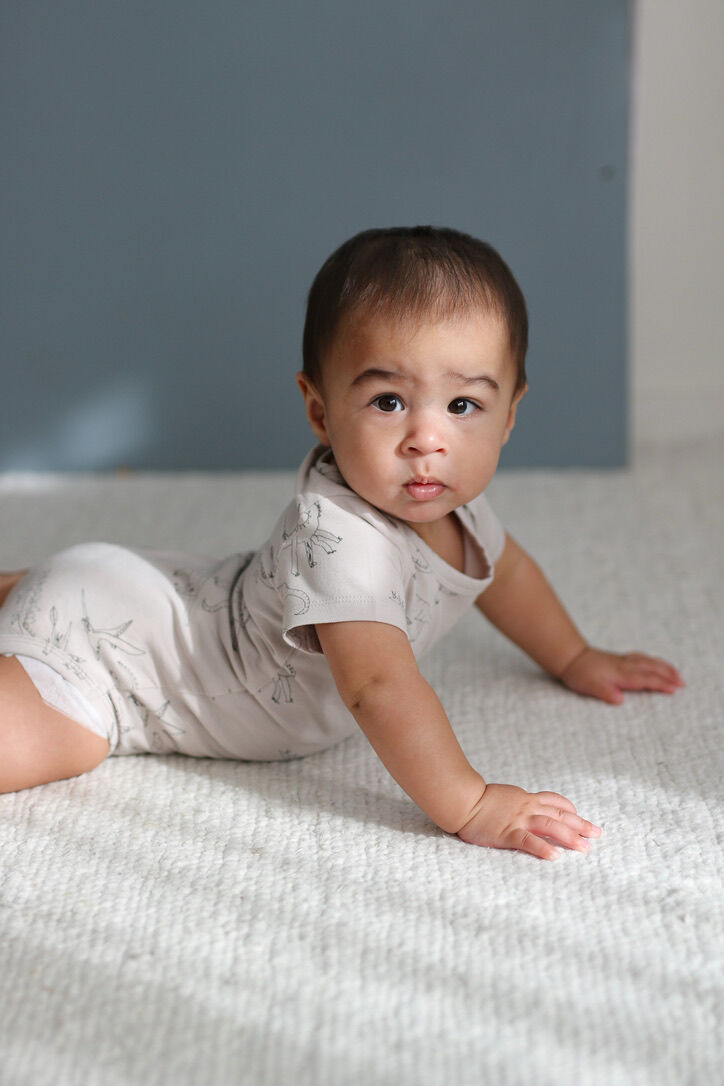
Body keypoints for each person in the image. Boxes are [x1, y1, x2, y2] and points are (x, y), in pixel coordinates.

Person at [0, 226, 683, 858]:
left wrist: (574, 656)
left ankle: (28, 590)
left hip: (138, 593)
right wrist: (469, 801)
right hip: (113, 668)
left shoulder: (457, 508)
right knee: (48, 741)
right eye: (388, 401)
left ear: (509, 415)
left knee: (71, 597)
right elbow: (379, 687)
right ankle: (33, 609)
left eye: (463, 405)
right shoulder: (339, 542)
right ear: (320, 410)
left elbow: (508, 574)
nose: (427, 438)